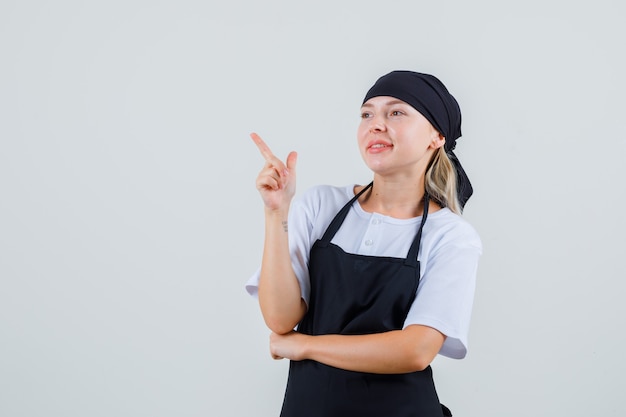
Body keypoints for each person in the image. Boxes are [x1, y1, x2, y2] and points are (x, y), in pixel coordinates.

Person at [246, 70, 482, 417]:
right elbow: (280, 319)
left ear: (436, 136)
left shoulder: (450, 237)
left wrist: (306, 347)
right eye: (367, 114)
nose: (376, 124)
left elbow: (415, 350)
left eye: (396, 112)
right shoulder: (320, 207)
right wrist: (276, 213)